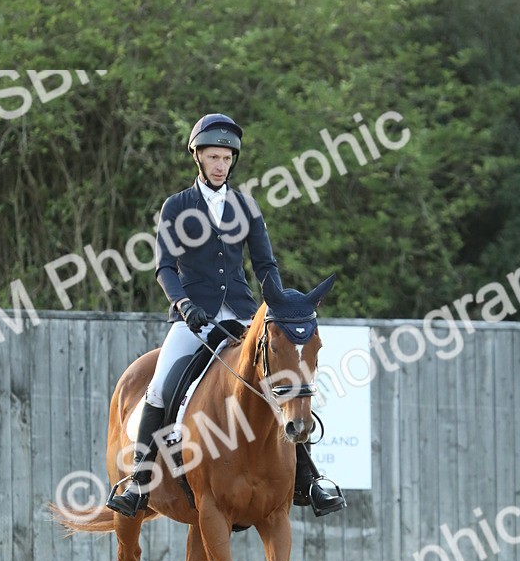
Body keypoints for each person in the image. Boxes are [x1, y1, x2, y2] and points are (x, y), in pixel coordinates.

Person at [107, 112, 347, 519]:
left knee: (284, 381)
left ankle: (309, 478)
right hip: (192, 319)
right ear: (198, 157)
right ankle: (138, 482)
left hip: (241, 316)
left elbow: (265, 265)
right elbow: (164, 267)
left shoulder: (246, 207)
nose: (220, 165)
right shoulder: (176, 206)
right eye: (213, 157)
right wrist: (184, 305)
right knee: (159, 388)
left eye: (226, 158)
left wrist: (277, 304)